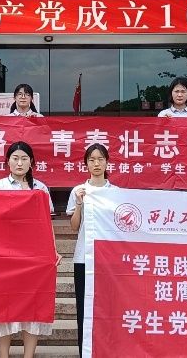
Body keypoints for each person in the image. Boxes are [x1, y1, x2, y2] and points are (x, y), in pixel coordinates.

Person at [0, 142, 54, 358]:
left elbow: (47, 224)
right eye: (15, 158)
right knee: (2, 305)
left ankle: (28, 355)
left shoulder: (40, 188)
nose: (20, 163)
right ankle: (3, 355)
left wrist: (53, 250)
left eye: (24, 159)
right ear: (8, 162)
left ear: (31, 162)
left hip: (33, 255)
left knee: (32, 304)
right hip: (4, 254)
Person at [66, 143, 115, 351]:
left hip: (109, 259)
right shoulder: (79, 191)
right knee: (83, 308)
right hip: (84, 258)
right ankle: (84, 351)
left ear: (107, 162)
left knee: (109, 307)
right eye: (92, 159)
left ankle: (107, 350)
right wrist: (79, 203)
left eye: (100, 159)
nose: (96, 163)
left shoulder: (116, 192)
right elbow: (74, 226)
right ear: (86, 163)